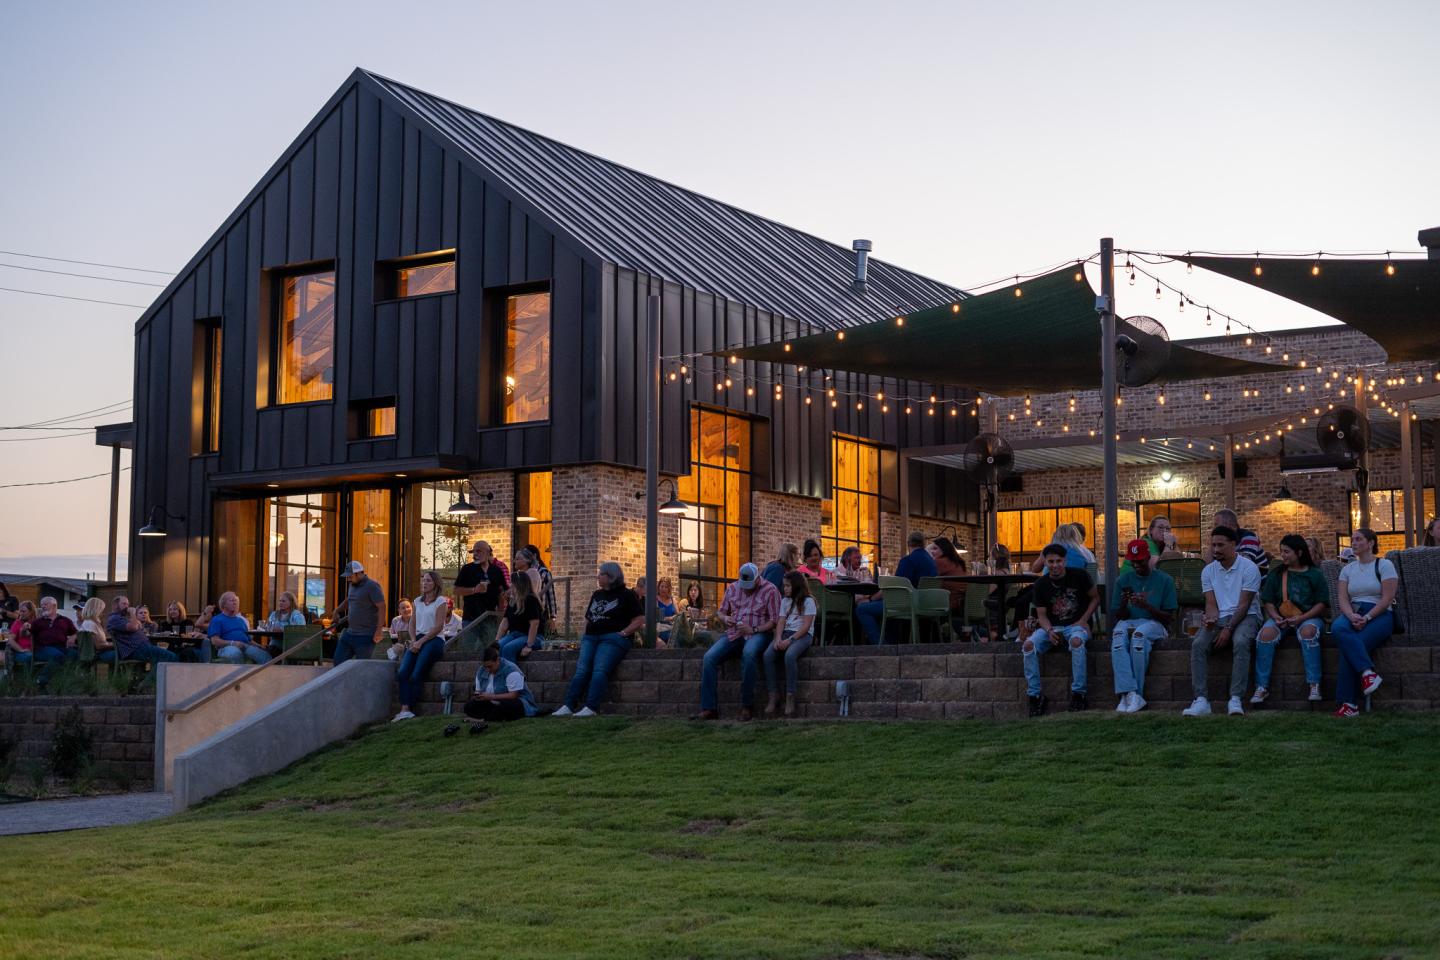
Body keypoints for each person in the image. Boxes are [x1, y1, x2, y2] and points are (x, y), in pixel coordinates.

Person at [1183, 526, 1262, 717]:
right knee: (1198, 644)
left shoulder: (1249, 568)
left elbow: (1244, 605)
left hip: (1247, 615)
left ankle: (1235, 699)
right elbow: (1211, 604)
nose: (1215, 549)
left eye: (1220, 545)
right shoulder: (1208, 571)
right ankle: (1201, 700)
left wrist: (1227, 628)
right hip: (1220, 616)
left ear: (1234, 544)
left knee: (1241, 641)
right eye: (1213, 545)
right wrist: (1210, 619)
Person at [693, 562, 782, 721]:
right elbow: (720, 613)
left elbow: (774, 621)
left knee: (749, 654)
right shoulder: (733, 588)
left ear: (757, 579)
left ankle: (747, 705)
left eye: (749, 585)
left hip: (758, 632)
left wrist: (753, 629)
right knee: (709, 658)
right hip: (734, 632)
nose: (746, 588)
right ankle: (709, 708)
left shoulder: (770, 590)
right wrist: (726, 618)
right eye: (744, 585)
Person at [554, 562, 644, 717]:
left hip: (612, 639)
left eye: (601, 574)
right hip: (591, 638)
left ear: (611, 576)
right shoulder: (597, 594)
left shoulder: (627, 595)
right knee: (582, 670)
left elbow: (639, 619)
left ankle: (591, 707)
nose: (598, 576)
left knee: (599, 670)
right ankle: (569, 705)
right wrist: (585, 635)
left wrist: (622, 633)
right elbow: (588, 618)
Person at [1253, 534, 1329, 705]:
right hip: (1282, 617)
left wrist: (1302, 618)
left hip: (1309, 617)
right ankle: (1261, 686)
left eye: (1287, 552)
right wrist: (1276, 617)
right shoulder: (1277, 573)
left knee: (1308, 632)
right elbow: (1268, 601)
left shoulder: (1315, 574)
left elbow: (1322, 604)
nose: (1283, 555)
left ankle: (1314, 684)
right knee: (1265, 634)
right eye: (1282, 551)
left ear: (1299, 552)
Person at [1330, 528, 1398, 718]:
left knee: (1349, 647)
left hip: (1380, 614)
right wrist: (1351, 616)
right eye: (1353, 539)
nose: (1354, 542)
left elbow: (1387, 598)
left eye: (1359, 539)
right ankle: (1368, 673)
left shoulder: (1384, 565)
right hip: (1354, 611)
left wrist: (1368, 618)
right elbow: (1342, 598)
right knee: (1337, 627)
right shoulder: (1347, 569)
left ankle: (1349, 705)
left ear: (1371, 543)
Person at [1023, 544, 1098, 716]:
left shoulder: (1080, 576)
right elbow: (1041, 615)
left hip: (1075, 626)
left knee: (1077, 642)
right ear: (1045, 562)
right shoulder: (1041, 584)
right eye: (1050, 561)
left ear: (1064, 561)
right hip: (1052, 626)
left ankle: (1079, 694)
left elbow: (1095, 598)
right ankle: (1034, 696)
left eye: (1058, 561)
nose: (1055, 565)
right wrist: (1049, 631)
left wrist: (1083, 620)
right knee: (1028, 646)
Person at [1110, 539, 1176, 714]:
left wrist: (1147, 606)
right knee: (1117, 635)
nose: (1136, 564)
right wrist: (1124, 605)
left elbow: (1169, 618)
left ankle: (1134, 694)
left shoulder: (1165, 580)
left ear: (1148, 557)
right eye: (1133, 561)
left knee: (1139, 637)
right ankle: (1131, 694)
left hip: (1155, 624)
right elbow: (1118, 615)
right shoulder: (1122, 580)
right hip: (1129, 622)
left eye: (1139, 560)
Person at [857, 531, 936, 644]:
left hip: (908, 605)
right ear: (924, 544)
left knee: (862, 609)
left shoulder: (908, 560)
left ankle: (881, 645)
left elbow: (894, 587)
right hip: (927, 603)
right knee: (887, 609)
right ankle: (891, 642)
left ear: (909, 544)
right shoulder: (931, 562)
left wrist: (870, 599)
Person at [392, 570, 448, 721]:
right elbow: (412, 624)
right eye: (423, 580)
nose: (424, 583)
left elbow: (438, 627)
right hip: (417, 639)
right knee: (403, 672)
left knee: (417, 674)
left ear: (436, 584)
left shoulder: (441, 601)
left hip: (434, 639)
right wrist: (413, 640)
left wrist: (421, 642)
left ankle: (410, 708)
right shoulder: (417, 601)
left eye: (428, 581)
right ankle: (404, 709)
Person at [763, 571, 816, 718]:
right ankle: (773, 695)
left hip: (802, 635)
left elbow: (806, 626)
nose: (784, 589)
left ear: (797, 586)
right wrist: (778, 638)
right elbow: (781, 621)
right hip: (785, 633)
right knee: (768, 656)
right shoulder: (785, 601)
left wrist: (790, 641)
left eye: (787, 586)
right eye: (784, 586)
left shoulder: (808, 601)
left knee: (790, 655)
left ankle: (790, 696)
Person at [465, 643, 538, 721]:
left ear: (497, 661)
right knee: (469, 706)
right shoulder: (481, 670)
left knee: (507, 706)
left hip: (515, 702)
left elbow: (513, 695)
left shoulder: (511, 670)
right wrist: (479, 696)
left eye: (490, 666)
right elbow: (478, 690)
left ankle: (484, 718)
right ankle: (491, 716)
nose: (487, 670)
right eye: (485, 667)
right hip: (491, 702)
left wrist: (491, 696)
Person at [332, 561, 385, 665]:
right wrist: (336, 610)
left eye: (350, 576)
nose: (348, 579)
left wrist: (379, 630)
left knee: (362, 667)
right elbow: (349, 600)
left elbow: (382, 607)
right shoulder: (352, 585)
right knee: (338, 663)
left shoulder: (372, 586)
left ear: (358, 573)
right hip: (350, 633)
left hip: (365, 636)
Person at [109, 595, 178, 667]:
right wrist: (133, 613)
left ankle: (152, 678)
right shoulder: (114, 619)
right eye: (124, 604)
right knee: (172, 657)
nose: (127, 607)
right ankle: (153, 678)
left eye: (128, 604)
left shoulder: (121, 618)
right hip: (135, 650)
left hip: (142, 647)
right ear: (115, 605)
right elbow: (133, 627)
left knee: (163, 659)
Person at [453, 541, 507, 633]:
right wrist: (474, 590)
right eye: (473, 552)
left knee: (490, 647)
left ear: (487, 552)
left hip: (490, 618)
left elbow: (501, 593)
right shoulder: (467, 569)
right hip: (470, 618)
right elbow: (456, 590)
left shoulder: (496, 570)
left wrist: (500, 616)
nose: (475, 554)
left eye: (478, 551)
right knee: (470, 647)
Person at [204, 592, 269, 664]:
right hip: (227, 647)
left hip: (245, 646)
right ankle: (240, 675)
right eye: (232, 600)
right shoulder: (217, 620)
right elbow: (214, 641)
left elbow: (249, 640)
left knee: (265, 656)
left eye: (235, 601)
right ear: (224, 604)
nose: (235, 603)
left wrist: (259, 646)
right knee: (235, 653)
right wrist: (233, 643)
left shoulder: (241, 620)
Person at [26, 596, 77, 686]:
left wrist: (73, 636)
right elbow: (27, 634)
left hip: (61, 648)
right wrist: (24, 629)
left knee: (75, 654)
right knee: (58, 656)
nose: (43, 607)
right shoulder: (37, 621)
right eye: (42, 605)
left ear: (54, 605)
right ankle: (41, 680)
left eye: (45, 604)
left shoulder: (65, 620)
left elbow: (75, 632)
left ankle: (67, 681)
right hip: (42, 649)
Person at [496, 571, 545, 663]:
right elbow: (504, 623)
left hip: (534, 637)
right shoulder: (512, 601)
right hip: (515, 635)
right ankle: (502, 674)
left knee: (508, 649)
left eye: (512, 583)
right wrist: (496, 640)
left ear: (518, 585)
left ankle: (513, 676)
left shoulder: (531, 600)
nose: (510, 585)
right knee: (497, 648)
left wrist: (529, 645)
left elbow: (534, 624)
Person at [927, 536, 968, 623]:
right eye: (932, 549)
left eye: (935, 548)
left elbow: (928, 580)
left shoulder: (939, 562)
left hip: (949, 603)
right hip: (961, 603)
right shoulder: (957, 562)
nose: (932, 551)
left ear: (944, 549)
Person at [1213, 508, 1267, 573]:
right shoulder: (1220, 542)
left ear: (1230, 525)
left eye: (1216, 525)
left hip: (1256, 580)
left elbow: (1245, 562)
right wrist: (1212, 542)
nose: (1214, 528)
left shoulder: (1249, 537)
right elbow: (1208, 564)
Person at [524, 544, 559, 625]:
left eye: (527, 555)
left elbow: (551, 595)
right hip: (525, 609)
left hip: (540, 609)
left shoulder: (544, 572)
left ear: (534, 555)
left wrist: (553, 617)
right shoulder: (523, 571)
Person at [77, 597, 118, 665]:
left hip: (100, 652)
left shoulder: (92, 622)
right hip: (98, 655)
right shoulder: (90, 624)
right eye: (102, 609)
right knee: (125, 654)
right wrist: (115, 645)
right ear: (96, 610)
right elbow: (98, 646)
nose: (103, 612)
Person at [3, 600, 36, 675]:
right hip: (21, 653)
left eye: (24, 611)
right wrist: (21, 650)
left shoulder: (36, 622)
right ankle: (26, 679)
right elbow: (10, 640)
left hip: (36, 650)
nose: (21, 613)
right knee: (29, 656)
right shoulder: (18, 623)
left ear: (31, 612)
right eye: (20, 611)